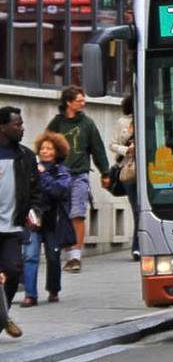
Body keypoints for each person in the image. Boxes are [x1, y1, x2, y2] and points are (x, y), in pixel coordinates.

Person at [46, 86, 110, 273]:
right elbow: (46, 146)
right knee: (64, 215)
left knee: (77, 213)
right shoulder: (57, 123)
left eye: (83, 99)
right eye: (79, 100)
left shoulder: (87, 124)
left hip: (80, 175)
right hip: (59, 176)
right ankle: (68, 254)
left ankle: (76, 258)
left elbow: (98, 149)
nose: (83, 102)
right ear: (68, 102)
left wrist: (105, 173)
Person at [0, 107, 44, 337]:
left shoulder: (26, 156)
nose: (22, 128)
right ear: (2, 127)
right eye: (17, 124)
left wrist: (35, 212)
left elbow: (36, 191)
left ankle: (2, 314)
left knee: (13, 271)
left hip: (13, 226)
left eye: (22, 123)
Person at [21, 132, 73, 306]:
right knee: (30, 256)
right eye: (42, 148)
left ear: (57, 151)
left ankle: (53, 289)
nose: (45, 151)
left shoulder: (63, 171)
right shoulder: (30, 168)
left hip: (53, 221)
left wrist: (42, 175)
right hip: (34, 219)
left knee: (53, 256)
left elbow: (59, 190)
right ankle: (30, 295)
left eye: (49, 148)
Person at [109, 94, 139, 260]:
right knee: (136, 208)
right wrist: (126, 150)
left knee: (144, 209)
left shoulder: (151, 117)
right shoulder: (122, 122)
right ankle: (137, 247)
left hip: (148, 169)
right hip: (128, 169)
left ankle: (142, 245)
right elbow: (112, 144)